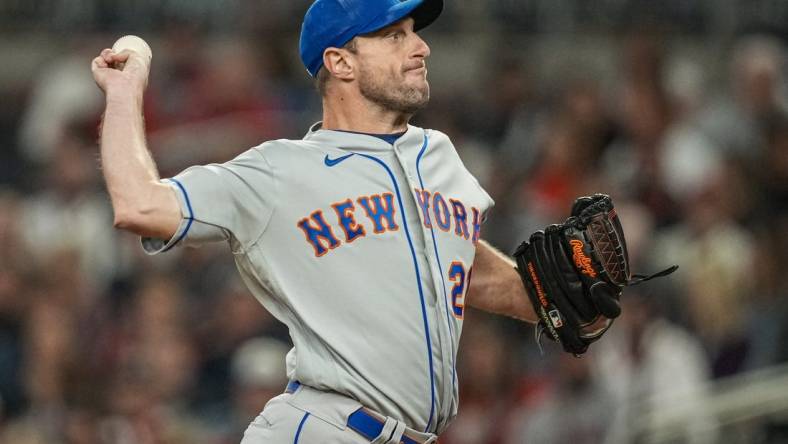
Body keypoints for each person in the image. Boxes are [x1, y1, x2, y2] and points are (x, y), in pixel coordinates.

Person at [91, 0, 538, 442]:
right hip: (324, 429)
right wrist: (125, 93)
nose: (421, 47)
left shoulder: (439, 155)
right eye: (394, 35)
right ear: (340, 62)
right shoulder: (278, 172)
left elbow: (457, 262)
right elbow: (139, 205)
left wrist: (550, 299)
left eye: (414, 32)